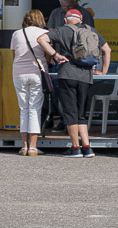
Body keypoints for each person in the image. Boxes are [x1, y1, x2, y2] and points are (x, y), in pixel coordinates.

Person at [47, 9, 110, 157]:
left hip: (68, 74)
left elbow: (41, 39)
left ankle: (75, 147)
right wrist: (103, 71)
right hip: (86, 76)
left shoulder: (62, 30)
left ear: (65, 20)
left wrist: (55, 55)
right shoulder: (90, 30)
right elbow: (107, 49)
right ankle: (87, 147)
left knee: (70, 112)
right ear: (81, 19)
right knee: (81, 114)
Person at [8, 9, 62, 156]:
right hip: (37, 73)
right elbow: (49, 58)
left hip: (19, 73)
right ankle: (33, 147)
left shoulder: (17, 34)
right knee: (34, 109)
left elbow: (14, 56)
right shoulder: (44, 34)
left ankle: (23, 146)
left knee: (23, 109)